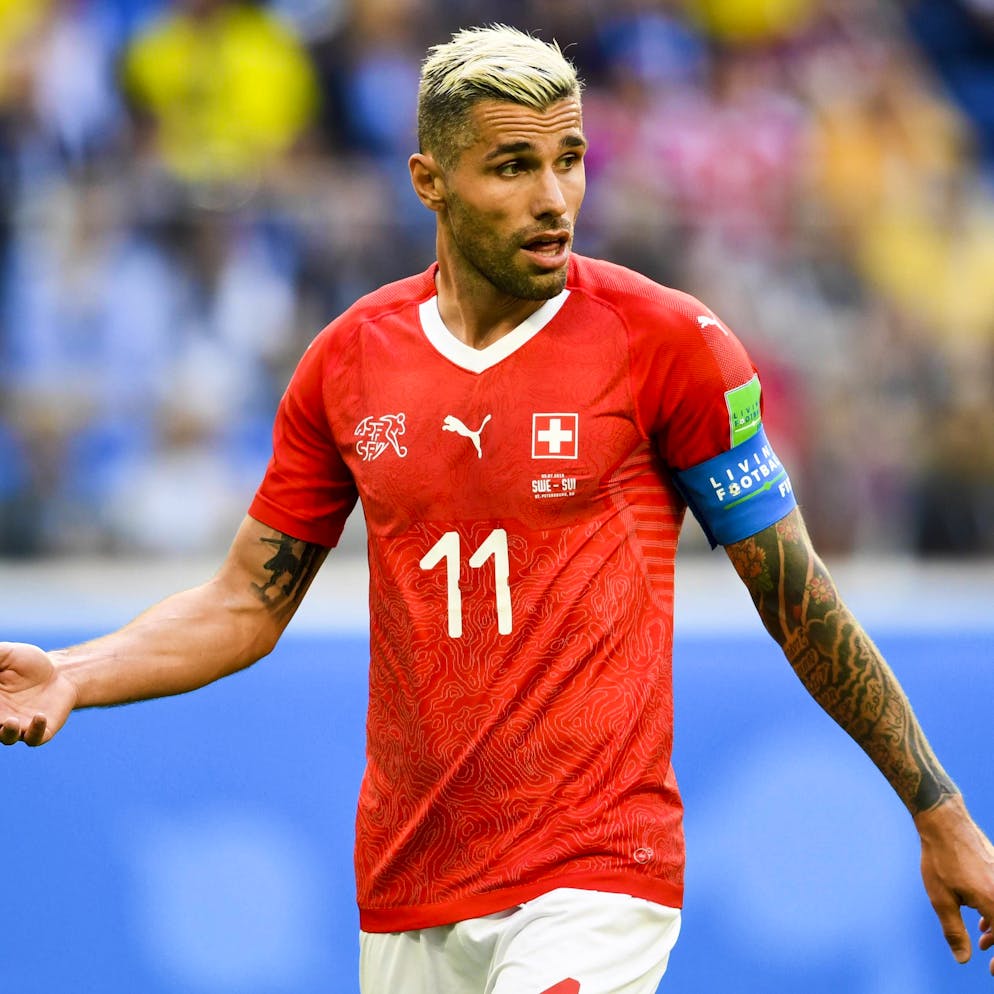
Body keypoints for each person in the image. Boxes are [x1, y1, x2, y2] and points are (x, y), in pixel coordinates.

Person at [2, 24, 993, 994]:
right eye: (512, 166)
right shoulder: (348, 362)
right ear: (428, 180)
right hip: (409, 882)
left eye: (570, 159)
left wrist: (936, 807)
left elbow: (798, 599)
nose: (554, 198)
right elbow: (243, 605)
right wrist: (77, 673)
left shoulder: (669, 345)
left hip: (596, 872)